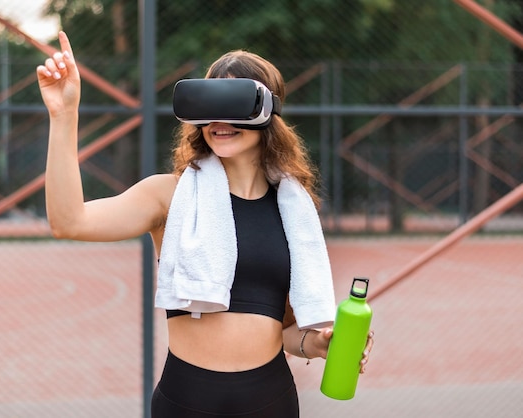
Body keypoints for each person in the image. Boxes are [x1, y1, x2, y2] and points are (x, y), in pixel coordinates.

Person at [37, 31, 374, 418]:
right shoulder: (170, 197)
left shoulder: (292, 210)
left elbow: (285, 332)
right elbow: (69, 221)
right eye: (209, 104)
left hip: (270, 399)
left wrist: (318, 344)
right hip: (186, 400)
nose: (219, 121)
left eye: (234, 105)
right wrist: (64, 116)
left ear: (267, 113)